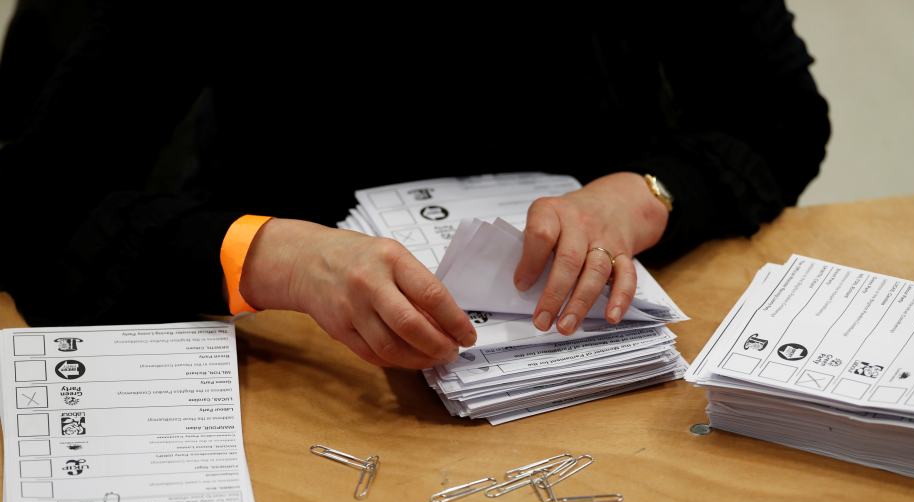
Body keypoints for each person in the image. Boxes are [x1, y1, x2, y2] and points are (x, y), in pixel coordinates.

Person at [0, 2, 830, 369]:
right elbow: (39, 205)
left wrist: (642, 194)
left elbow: (779, 115)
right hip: (302, 354)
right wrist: (273, 257)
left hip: (579, 348)